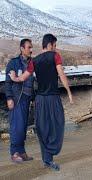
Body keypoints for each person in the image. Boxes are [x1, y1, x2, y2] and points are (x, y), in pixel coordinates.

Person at [10, 34, 73, 171]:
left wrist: (14, 78)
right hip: (52, 98)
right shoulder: (55, 56)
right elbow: (61, 74)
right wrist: (68, 92)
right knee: (57, 124)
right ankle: (49, 157)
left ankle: (47, 159)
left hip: (40, 99)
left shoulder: (35, 60)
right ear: (50, 45)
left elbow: (23, 78)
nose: (55, 48)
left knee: (43, 128)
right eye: (55, 45)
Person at [5, 39, 35, 163]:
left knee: (23, 126)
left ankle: (22, 153)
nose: (31, 50)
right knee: (16, 126)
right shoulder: (13, 63)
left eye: (31, 47)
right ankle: (14, 153)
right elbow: (8, 82)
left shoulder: (33, 63)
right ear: (22, 48)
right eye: (29, 47)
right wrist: (9, 98)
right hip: (17, 98)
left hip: (28, 98)